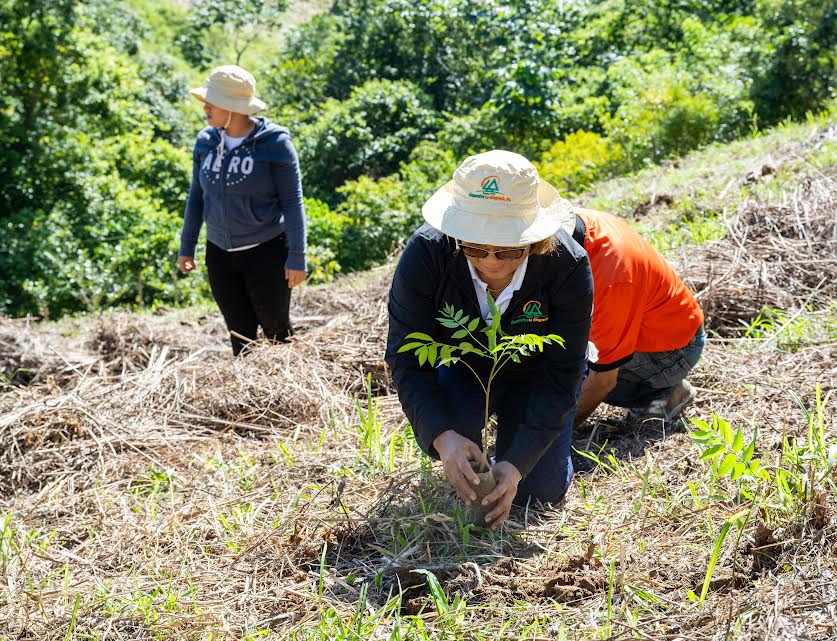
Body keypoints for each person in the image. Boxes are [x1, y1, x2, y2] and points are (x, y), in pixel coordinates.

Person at [385, 150, 593, 529]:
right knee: (457, 444)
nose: (492, 261)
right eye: (476, 247)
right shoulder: (426, 256)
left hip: (536, 378)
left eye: (510, 249)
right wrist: (443, 437)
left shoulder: (568, 265)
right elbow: (406, 355)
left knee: (538, 492)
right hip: (467, 370)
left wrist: (516, 466)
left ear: (536, 239)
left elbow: (562, 370)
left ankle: (544, 442)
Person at [177, 65, 307, 355]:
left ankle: (285, 391)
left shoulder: (275, 143)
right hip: (220, 255)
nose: (206, 107)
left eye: (212, 103)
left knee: (277, 332)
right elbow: (196, 196)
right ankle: (249, 396)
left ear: (232, 108)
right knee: (239, 335)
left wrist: (298, 256)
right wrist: (187, 246)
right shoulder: (205, 142)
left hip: (267, 252)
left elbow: (292, 201)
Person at [570, 208, 705, 428]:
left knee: (566, 374)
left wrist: (549, 438)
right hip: (648, 324)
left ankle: (663, 393)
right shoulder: (574, 225)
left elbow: (603, 380)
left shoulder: (609, 277)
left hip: (672, 349)